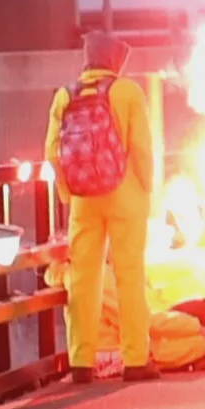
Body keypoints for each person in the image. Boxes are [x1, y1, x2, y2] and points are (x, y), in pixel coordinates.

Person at [46, 30, 158, 383]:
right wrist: (145, 188)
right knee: (129, 276)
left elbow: (52, 151)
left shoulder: (65, 95)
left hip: (83, 199)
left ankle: (81, 362)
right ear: (115, 61)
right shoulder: (127, 92)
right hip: (125, 196)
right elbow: (141, 149)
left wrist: (69, 192)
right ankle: (135, 360)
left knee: (82, 279)